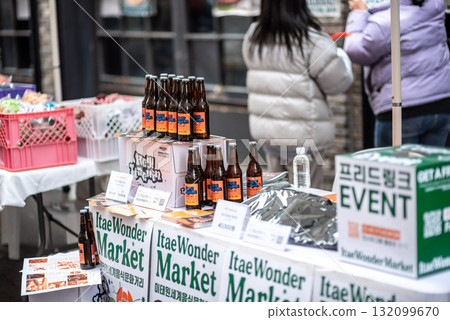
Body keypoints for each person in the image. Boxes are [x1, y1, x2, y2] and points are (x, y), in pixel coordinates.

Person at [242, 0, 354, 189]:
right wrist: (342, 57)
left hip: (268, 135)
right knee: (305, 204)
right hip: (304, 140)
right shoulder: (311, 39)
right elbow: (338, 83)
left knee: (275, 199)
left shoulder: (254, 36)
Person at [344, 0, 450, 147]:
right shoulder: (434, 6)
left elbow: (356, 50)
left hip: (403, 110)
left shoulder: (384, 22)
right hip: (440, 105)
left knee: (392, 168)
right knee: (429, 167)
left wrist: (358, 13)